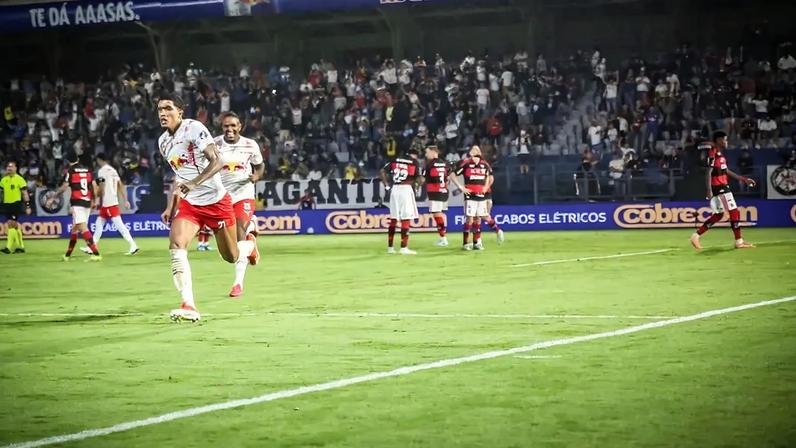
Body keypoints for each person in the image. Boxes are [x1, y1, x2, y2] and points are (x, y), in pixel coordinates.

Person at [157, 92, 255, 322]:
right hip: (191, 204)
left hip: (217, 202)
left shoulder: (193, 128)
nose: (163, 113)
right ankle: (189, 304)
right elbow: (179, 176)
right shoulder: (163, 142)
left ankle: (249, 247)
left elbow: (218, 161)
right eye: (160, 109)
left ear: (180, 111)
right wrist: (171, 205)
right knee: (176, 245)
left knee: (230, 257)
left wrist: (194, 183)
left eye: (168, 108)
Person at [216, 111, 264, 297]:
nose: (229, 129)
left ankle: (238, 284)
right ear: (222, 128)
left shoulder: (250, 145)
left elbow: (259, 165)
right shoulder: (214, 144)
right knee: (227, 249)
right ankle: (251, 243)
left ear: (240, 127)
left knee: (239, 235)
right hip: (222, 195)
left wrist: (257, 176)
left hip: (243, 193)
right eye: (226, 126)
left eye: (233, 125)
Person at [690, 131, 756, 250]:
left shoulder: (720, 154)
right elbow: (708, 172)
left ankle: (696, 236)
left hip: (721, 186)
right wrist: (709, 190)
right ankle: (739, 242)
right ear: (719, 140)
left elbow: (726, 171)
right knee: (734, 212)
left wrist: (743, 179)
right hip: (719, 187)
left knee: (719, 215)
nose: (726, 142)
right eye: (725, 140)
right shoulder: (713, 152)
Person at [80, 153, 138, 255]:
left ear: (99, 160)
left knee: (120, 226)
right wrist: (125, 200)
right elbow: (120, 185)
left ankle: (133, 245)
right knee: (99, 224)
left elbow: (102, 185)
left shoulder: (102, 171)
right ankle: (91, 247)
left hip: (108, 203)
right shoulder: (113, 170)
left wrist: (97, 197)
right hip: (111, 202)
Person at [59, 153, 101, 261]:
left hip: (77, 202)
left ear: (68, 161)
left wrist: (54, 196)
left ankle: (96, 254)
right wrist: (94, 200)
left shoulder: (70, 171)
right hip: (87, 202)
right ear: (77, 159)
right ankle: (67, 255)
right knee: (75, 228)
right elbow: (95, 186)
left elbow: (65, 186)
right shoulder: (87, 170)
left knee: (82, 227)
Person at [380, 148, 423, 255]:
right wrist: (417, 186)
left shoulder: (395, 160)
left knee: (394, 218)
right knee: (406, 218)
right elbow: (420, 178)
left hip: (395, 189)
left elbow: (382, 171)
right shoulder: (414, 162)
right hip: (406, 189)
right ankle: (404, 247)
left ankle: (390, 248)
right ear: (414, 155)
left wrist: (386, 186)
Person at [455, 146, 492, 251]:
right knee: (469, 218)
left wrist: (486, 186)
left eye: (476, 149)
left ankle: (477, 242)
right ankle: (466, 243)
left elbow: (488, 175)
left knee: (478, 218)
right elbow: (453, 174)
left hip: (481, 195)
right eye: (472, 149)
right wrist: (460, 187)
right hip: (470, 194)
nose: (474, 151)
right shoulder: (466, 163)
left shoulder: (484, 164)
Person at [424, 145, 461, 247]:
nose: (426, 154)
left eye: (427, 152)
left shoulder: (430, 165)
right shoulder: (444, 163)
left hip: (434, 192)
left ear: (433, 152)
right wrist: (459, 186)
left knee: (437, 215)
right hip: (444, 192)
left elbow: (424, 178)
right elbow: (450, 175)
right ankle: (443, 237)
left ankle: (443, 238)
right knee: (439, 214)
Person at [0, 161, 31, 254]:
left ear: (15, 168)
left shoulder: (20, 179)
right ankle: (20, 247)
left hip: (16, 204)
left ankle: (8, 248)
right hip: (6, 205)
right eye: (8, 167)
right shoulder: (3, 180)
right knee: (14, 225)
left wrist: (28, 206)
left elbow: (25, 193)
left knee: (10, 223)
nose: (9, 168)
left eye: (11, 167)